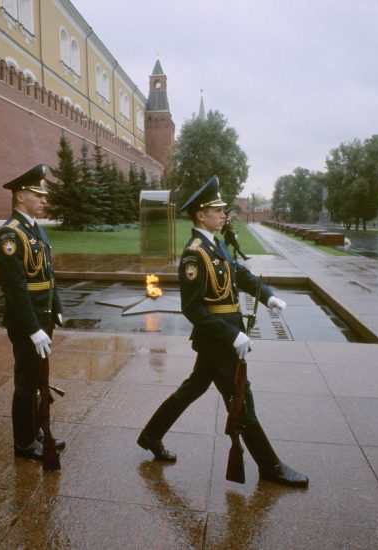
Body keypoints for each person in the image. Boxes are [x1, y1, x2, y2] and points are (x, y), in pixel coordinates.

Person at [137, 176, 309, 488]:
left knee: (193, 388)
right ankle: (270, 466)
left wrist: (267, 295)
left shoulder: (214, 244)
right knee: (241, 400)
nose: (223, 214)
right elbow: (193, 308)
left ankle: (150, 435)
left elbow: (239, 274)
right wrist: (232, 335)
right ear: (201, 215)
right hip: (219, 339)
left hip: (224, 335)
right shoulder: (195, 254)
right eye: (217, 209)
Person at [0, 164, 65, 460]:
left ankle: (36, 430)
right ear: (21, 196)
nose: (43, 200)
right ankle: (23, 443)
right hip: (27, 322)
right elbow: (15, 288)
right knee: (26, 382)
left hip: (43, 316)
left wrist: (57, 307)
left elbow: (48, 274)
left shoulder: (35, 229)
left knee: (38, 379)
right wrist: (33, 328)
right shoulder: (9, 236)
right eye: (38, 194)